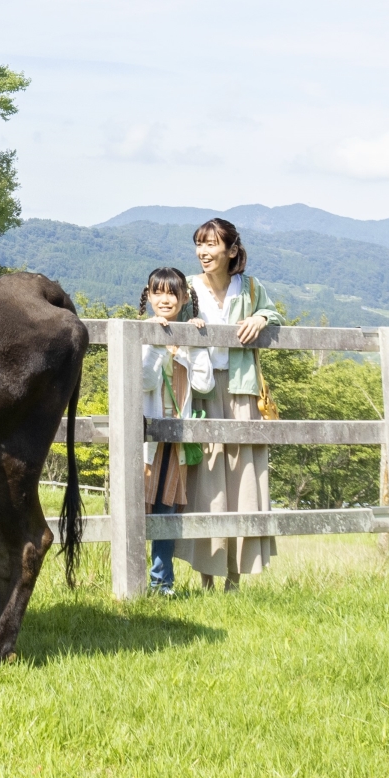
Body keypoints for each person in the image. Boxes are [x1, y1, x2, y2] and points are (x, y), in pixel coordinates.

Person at [171, 217, 279, 590]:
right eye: (199, 244)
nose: (203, 252)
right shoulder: (187, 286)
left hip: (241, 389)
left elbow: (275, 312)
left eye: (212, 244)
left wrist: (260, 317)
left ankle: (235, 576)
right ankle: (207, 577)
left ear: (231, 250)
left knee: (242, 476)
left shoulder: (249, 287)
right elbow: (161, 312)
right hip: (200, 388)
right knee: (207, 478)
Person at [137, 267, 194, 593]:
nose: (165, 299)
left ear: (183, 298)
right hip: (147, 437)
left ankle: (162, 582)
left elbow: (203, 383)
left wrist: (196, 342)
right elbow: (144, 381)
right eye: (158, 292)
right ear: (149, 296)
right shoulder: (142, 331)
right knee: (140, 504)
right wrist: (157, 343)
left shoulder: (186, 335)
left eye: (172, 293)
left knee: (166, 508)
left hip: (176, 437)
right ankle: (133, 577)